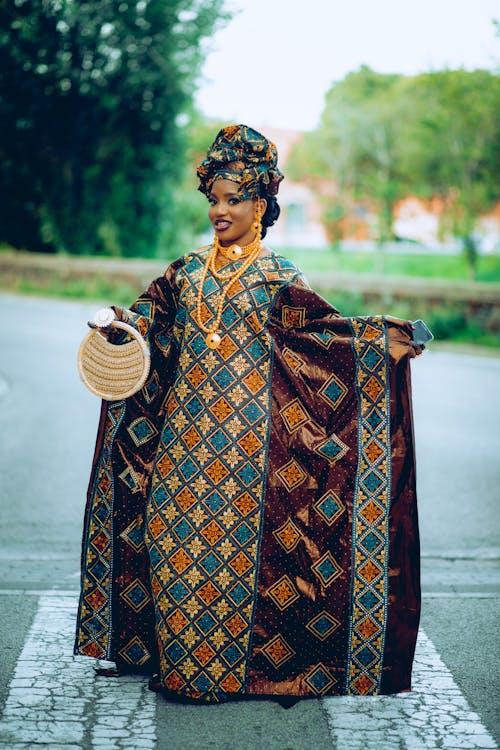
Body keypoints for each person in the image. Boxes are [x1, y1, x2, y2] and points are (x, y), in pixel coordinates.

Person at [74, 124, 423, 707]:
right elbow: (146, 325)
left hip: (251, 456)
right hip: (181, 447)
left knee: (237, 559)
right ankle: (178, 661)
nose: (220, 210)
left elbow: (322, 339)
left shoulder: (279, 277)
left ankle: (221, 673)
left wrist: (380, 341)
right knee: (169, 536)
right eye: (214, 198)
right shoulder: (183, 275)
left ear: (261, 204)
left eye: (233, 198)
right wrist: (120, 326)